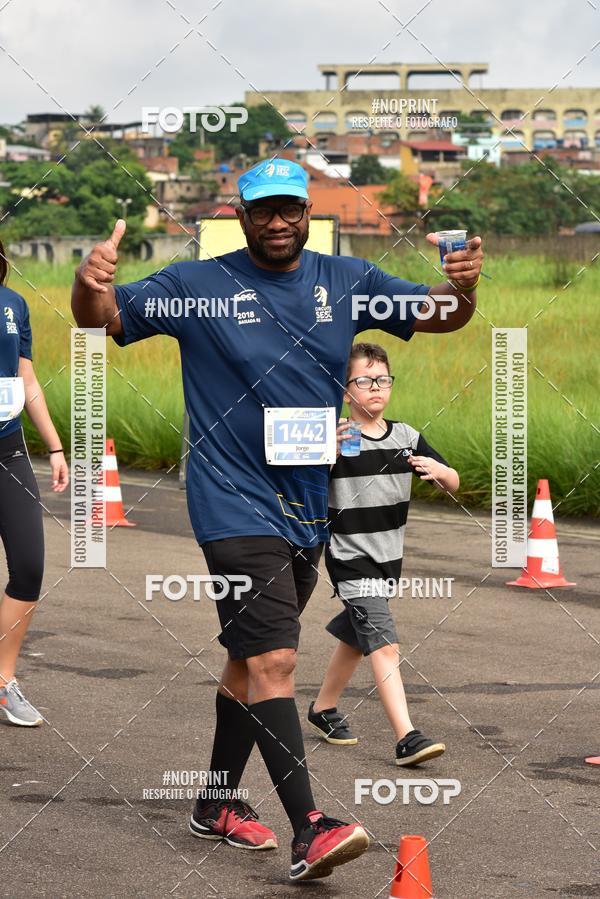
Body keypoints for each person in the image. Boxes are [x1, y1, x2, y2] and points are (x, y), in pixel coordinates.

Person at [71, 159, 483, 882]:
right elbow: (100, 320)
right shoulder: (197, 287)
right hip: (230, 502)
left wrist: (465, 290)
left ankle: (216, 802)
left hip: (305, 508)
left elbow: (438, 315)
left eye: (291, 208)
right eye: (263, 210)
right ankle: (310, 828)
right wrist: (89, 283)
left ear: (306, 211)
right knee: (275, 660)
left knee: (246, 657)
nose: (279, 222)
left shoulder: (346, 279)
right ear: (241, 214)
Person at [308, 341, 459, 766]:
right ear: (344, 388)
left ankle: (322, 708)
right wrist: (325, 454)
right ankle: (407, 737)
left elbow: (454, 482)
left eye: (383, 380)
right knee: (384, 643)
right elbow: (298, 481)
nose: (376, 387)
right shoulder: (334, 435)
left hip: (388, 559)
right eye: (364, 380)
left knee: (358, 636)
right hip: (351, 557)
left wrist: (440, 471)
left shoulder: (407, 437)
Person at [0, 240, 69, 726]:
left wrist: (54, 445)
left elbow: (27, 378)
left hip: (8, 450)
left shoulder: (14, 305)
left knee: (29, 566)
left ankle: (3, 682)